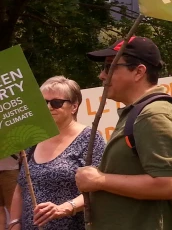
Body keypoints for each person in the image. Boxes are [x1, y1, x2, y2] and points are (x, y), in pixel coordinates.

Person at [76, 37, 172, 230]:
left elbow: (165, 184)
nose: (102, 75)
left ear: (138, 72)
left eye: (110, 67)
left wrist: (100, 180)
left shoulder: (154, 114)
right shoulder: (139, 112)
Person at [9, 77, 105, 230]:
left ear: (74, 106)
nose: (48, 107)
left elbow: (100, 188)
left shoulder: (90, 138)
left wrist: (65, 208)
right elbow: (21, 187)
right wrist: (14, 223)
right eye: (43, 103)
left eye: (56, 103)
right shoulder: (34, 138)